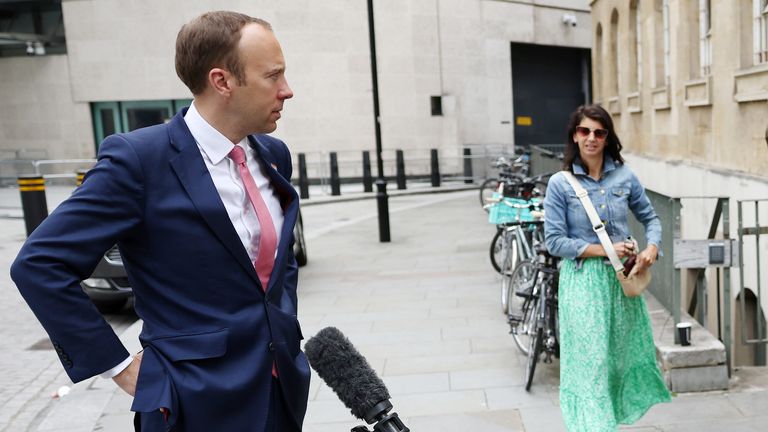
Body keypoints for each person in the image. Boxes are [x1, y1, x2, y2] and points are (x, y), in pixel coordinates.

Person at [10, 11, 309, 432]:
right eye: (273, 76)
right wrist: (119, 366)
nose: (287, 90)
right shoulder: (138, 160)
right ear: (222, 81)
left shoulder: (273, 154)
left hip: (281, 389)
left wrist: (285, 326)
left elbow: (280, 265)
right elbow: (39, 264)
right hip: (191, 404)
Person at [543, 104, 671, 431]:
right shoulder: (561, 183)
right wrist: (606, 249)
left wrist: (652, 248)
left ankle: (608, 422)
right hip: (584, 282)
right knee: (592, 364)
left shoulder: (625, 176)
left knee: (620, 357)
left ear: (607, 137)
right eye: (585, 131)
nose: (592, 138)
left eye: (599, 132)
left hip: (622, 282)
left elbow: (651, 218)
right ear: (575, 135)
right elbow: (555, 241)